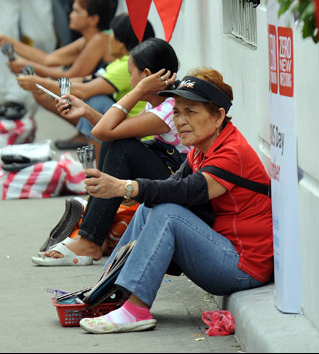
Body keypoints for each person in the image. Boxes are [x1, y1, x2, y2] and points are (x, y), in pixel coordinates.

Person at [75, 68, 273, 334]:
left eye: (191, 112)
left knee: (167, 212)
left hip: (243, 268)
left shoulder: (231, 153)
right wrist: (123, 189)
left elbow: (184, 193)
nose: (181, 121)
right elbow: (169, 187)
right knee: (149, 207)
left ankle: (135, 310)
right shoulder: (202, 149)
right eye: (177, 111)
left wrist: (123, 187)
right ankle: (109, 288)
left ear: (218, 117)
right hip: (224, 252)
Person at [33, 37, 188, 265]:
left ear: (145, 75)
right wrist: (85, 110)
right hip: (170, 172)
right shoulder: (160, 104)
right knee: (116, 144)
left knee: (121, 147)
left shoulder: (167, 111)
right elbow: (113, 131)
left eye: (131, 73)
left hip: (180, 184)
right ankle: (94, 235)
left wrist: (139, 89)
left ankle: (90, 239)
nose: (130, 80)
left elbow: (107, 131)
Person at [17, 12, 154, 152]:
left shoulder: (126, 66)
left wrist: (39, 82)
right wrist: (44, 84)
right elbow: (84, 80)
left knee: (96, 101)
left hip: (136, 133)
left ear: (120, 43)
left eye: (111, 35)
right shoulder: (121, 61)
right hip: (129, 124)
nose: (108, 39)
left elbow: (84, 89)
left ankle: (98, 167)